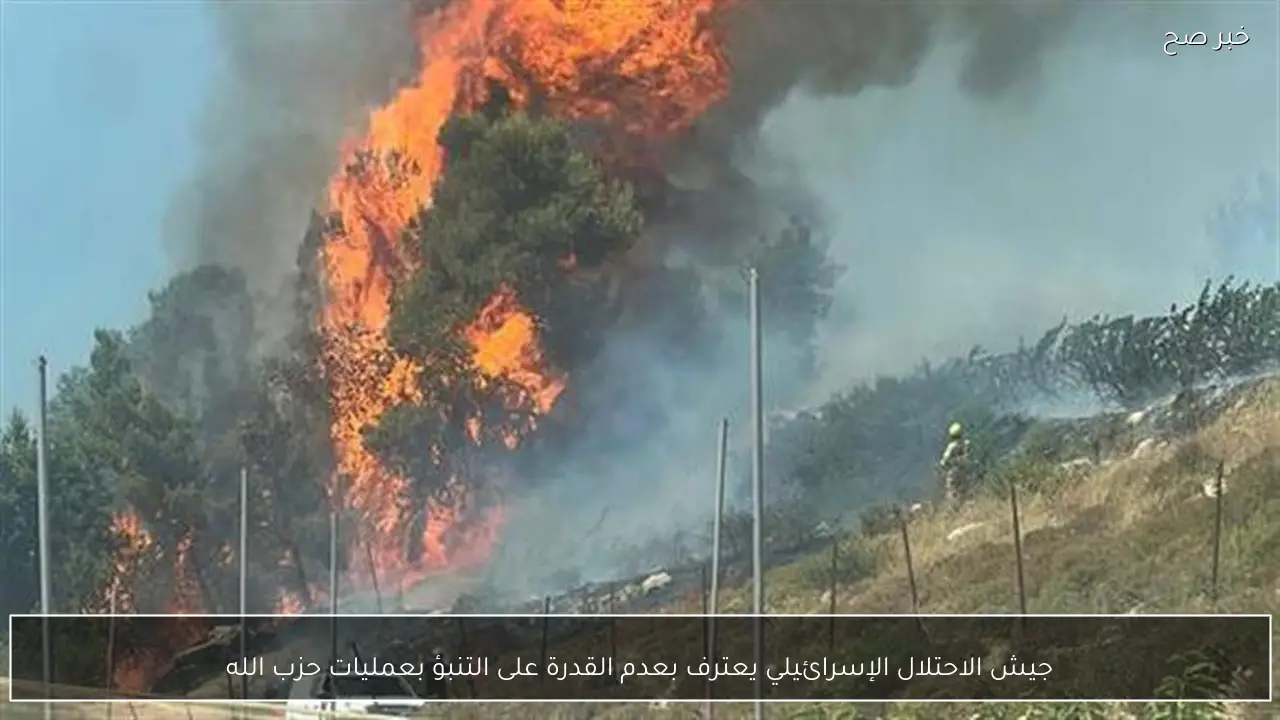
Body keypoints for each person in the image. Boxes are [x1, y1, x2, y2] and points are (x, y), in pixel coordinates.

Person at [939, 421, 970, 504]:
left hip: (953, 472)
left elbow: (944, 461)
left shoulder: (951, 446)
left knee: (952, 491)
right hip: (963, 471)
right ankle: (963, 505)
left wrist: (944, 464)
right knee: (963, 490)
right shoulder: (965, 444)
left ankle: (953, 507)